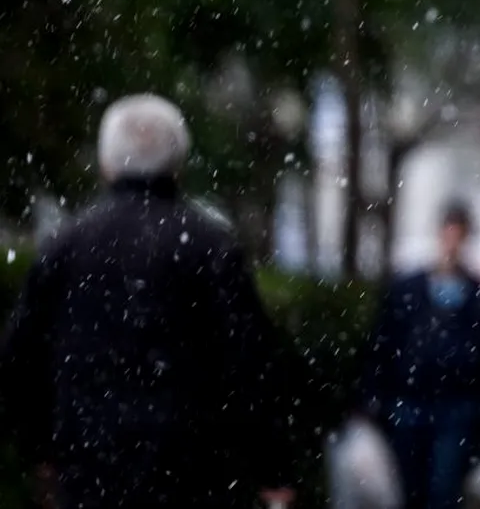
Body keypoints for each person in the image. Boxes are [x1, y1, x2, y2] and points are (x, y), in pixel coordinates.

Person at [0, 93, 295, 509]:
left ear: (106, 163)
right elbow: (251, 364)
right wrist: (272, 469)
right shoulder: (210, 246)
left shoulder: (65, 246)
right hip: (193, 477)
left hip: (90, 472)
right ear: (179, 164)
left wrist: (42, 449)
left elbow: (18, 358)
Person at [360, 201, 480, 509]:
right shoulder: (409, 289)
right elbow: (383, 345)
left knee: (442, 489)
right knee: (411, 487)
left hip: (454, 405)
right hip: (412, 403)